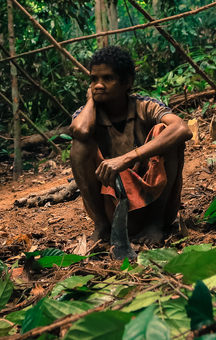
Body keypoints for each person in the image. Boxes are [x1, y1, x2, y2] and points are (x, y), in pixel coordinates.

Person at [69, 46, 191, 247]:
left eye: (107, 79)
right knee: (80, 144)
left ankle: (155, 224)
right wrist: (91, 100)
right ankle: (102, 226)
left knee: (164, 131)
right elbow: (80, 131)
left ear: (126, 82)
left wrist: (126, 159)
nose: (98, 85)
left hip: (154, 204)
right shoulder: (88, 115)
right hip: (116, 207)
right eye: (93, 80)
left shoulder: (145, 106)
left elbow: (182, 128)